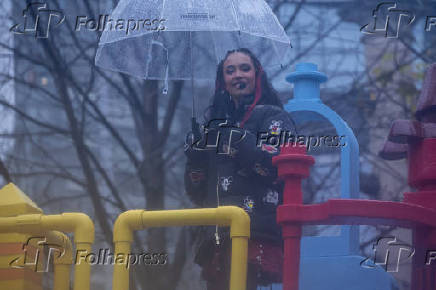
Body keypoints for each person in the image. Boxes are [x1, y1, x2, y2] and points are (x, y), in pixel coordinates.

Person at [184, 48, 295, 290]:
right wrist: (195, 159)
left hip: (255, 231)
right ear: (222, 80)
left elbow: (275, 169)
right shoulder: (213, 127)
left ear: (258, 75)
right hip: (217, 233)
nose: (237, 75)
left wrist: (233, 136)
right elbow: (196, 193)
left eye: (245, 68)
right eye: (230, 70)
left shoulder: (274, 117)